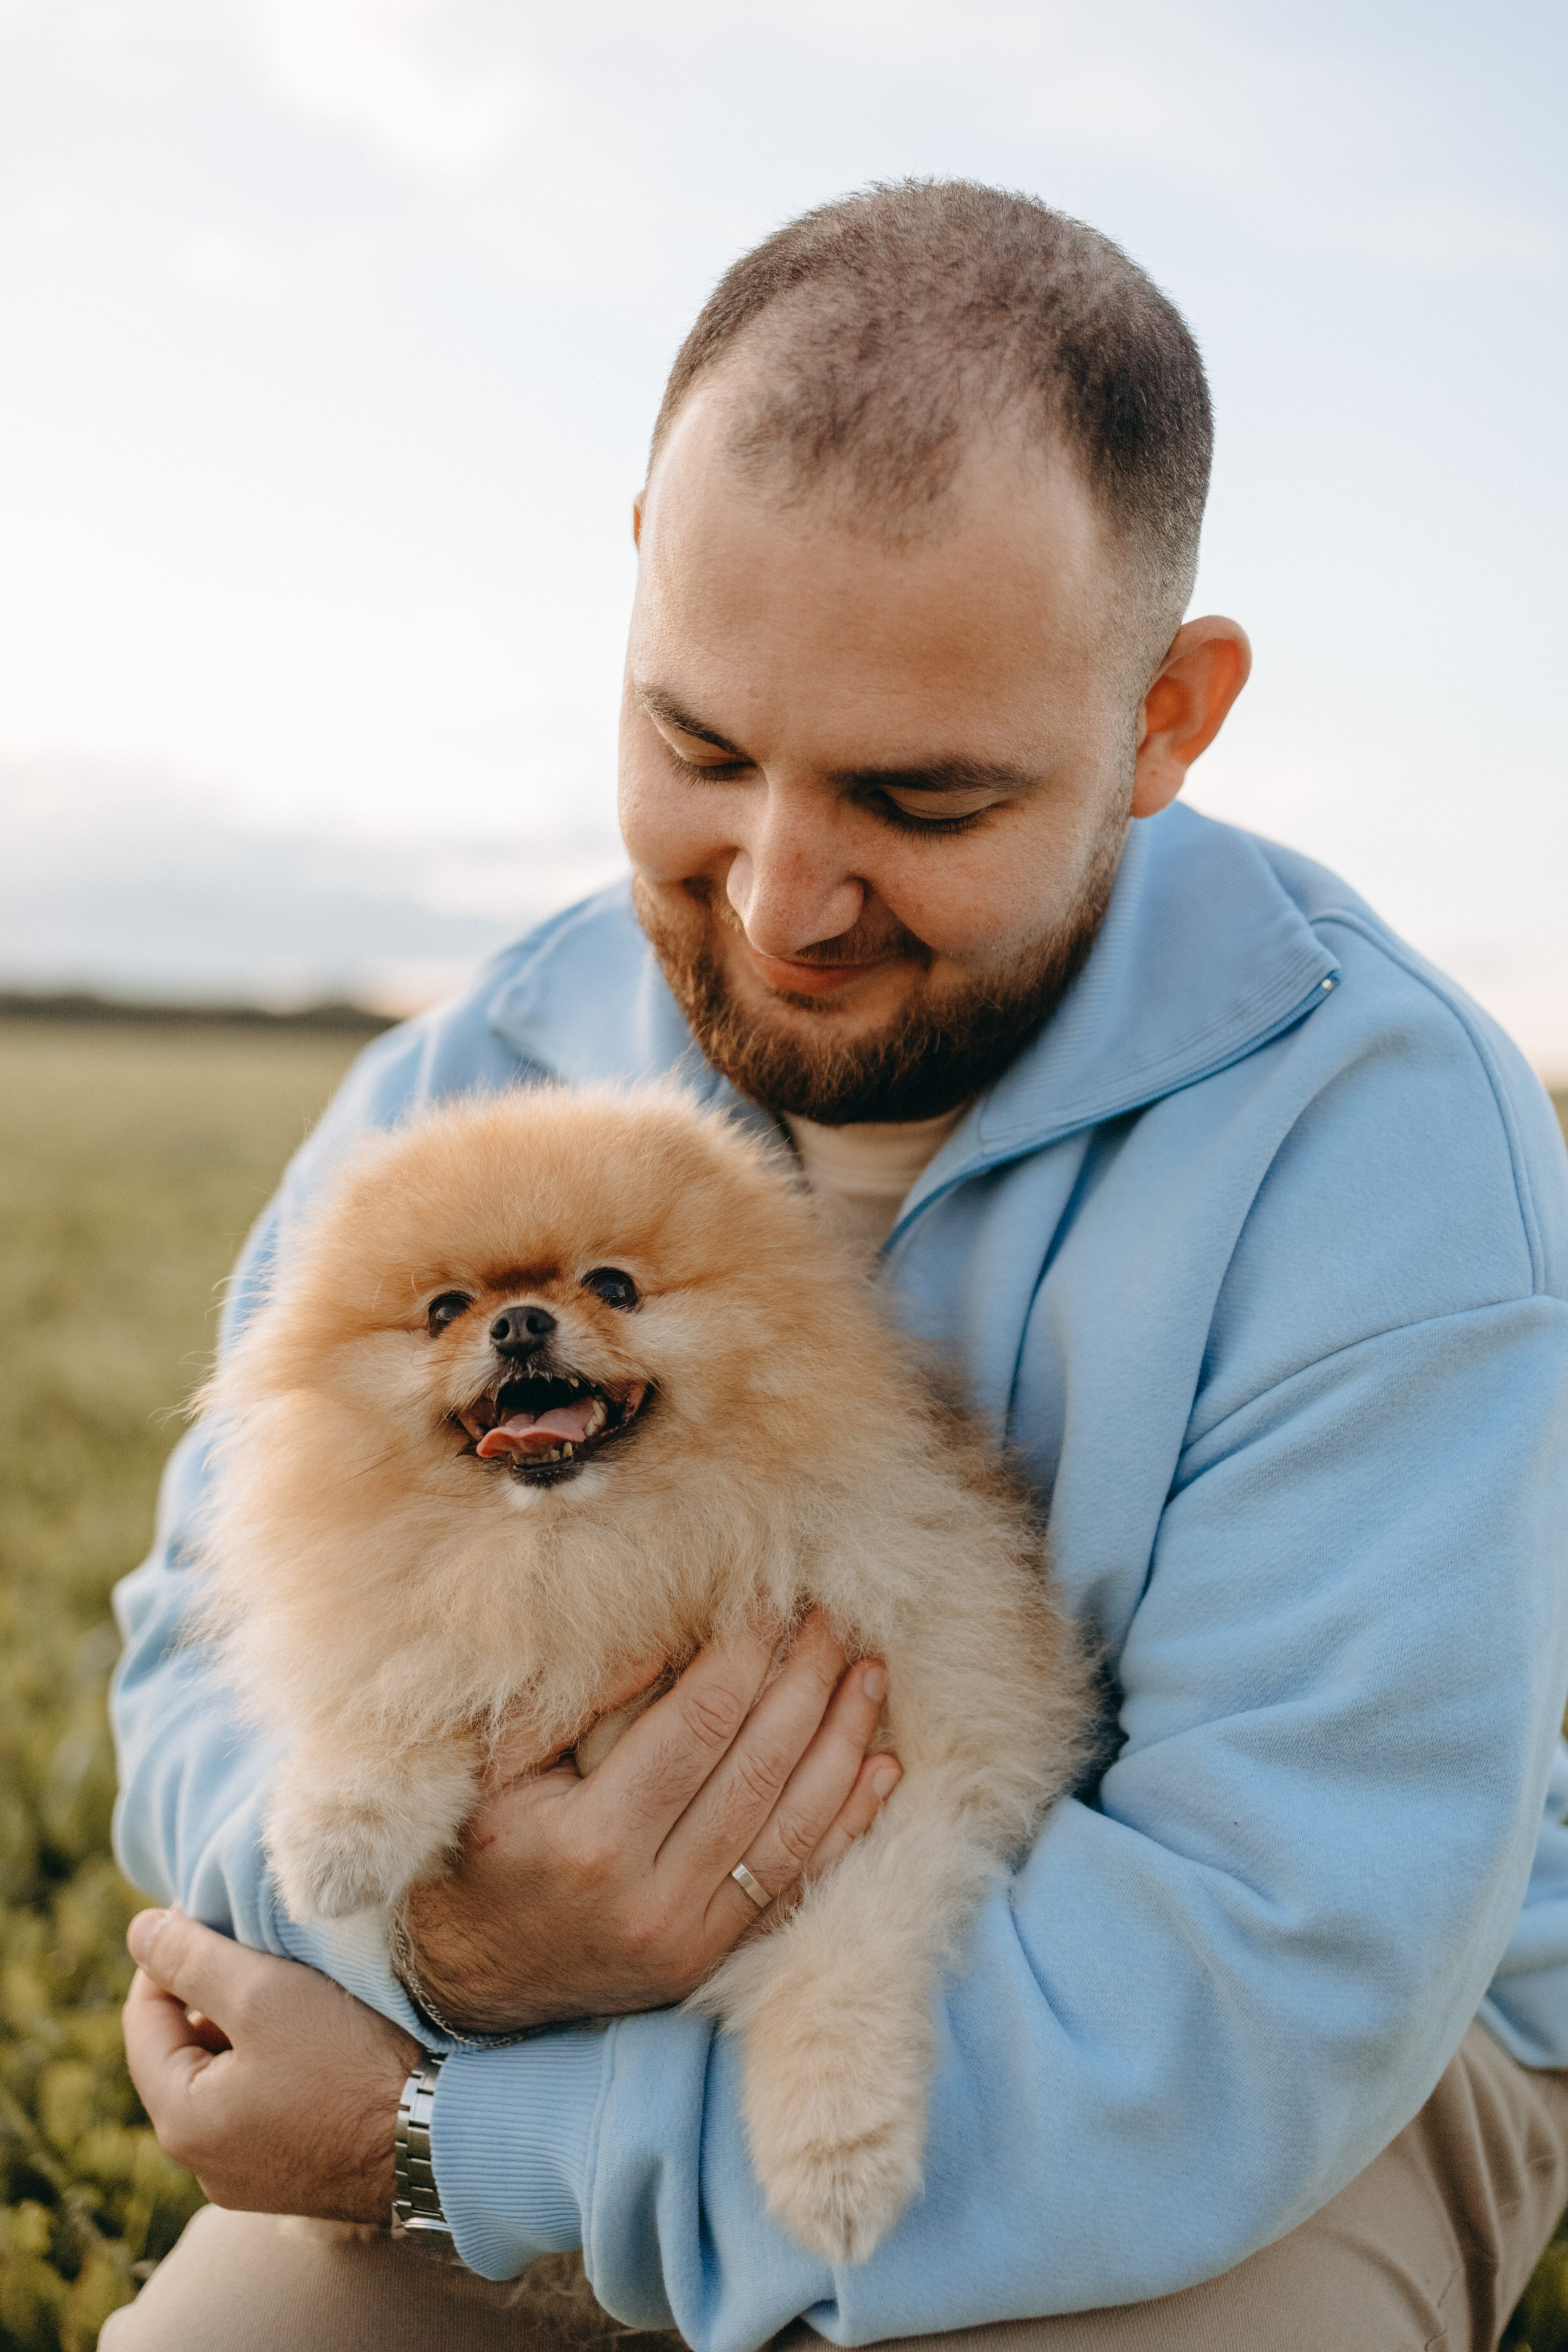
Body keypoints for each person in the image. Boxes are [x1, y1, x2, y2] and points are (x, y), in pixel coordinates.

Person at [104, 180, 1568, 2352]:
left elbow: (1277, 1974)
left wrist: (454, 2146)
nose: (782, 903)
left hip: (1240, 2085)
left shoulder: (1384, 1144)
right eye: (699, 748)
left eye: (923, 798)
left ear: (1168, 718)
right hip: (503, 2029)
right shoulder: (476, 1078)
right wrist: (455, 1949)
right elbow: (195, 1681)